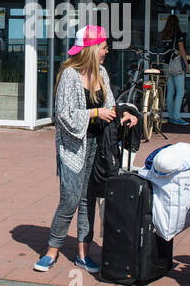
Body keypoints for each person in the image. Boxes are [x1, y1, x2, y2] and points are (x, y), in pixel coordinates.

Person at [38, 24, 134, 273]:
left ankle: (83, 253)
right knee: (70, 198)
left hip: (97, 146)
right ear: (91, 49)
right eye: (103, 47)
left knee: (88, 199)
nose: (107, 51)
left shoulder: (102, 73)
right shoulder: (69, 74)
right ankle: (52, 250)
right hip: (72, 147)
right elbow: (63, 115)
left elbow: (111, 106)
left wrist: (125, 115)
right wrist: (95, 113)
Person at [161, 14, 190, 126]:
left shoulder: (164, 34)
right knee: (180, 91)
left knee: (170, 91)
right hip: (176, 65)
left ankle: (171, 115)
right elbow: (181, 50)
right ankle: (177, 116)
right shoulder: (178, 35)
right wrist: (186, 64)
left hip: (166, 65)